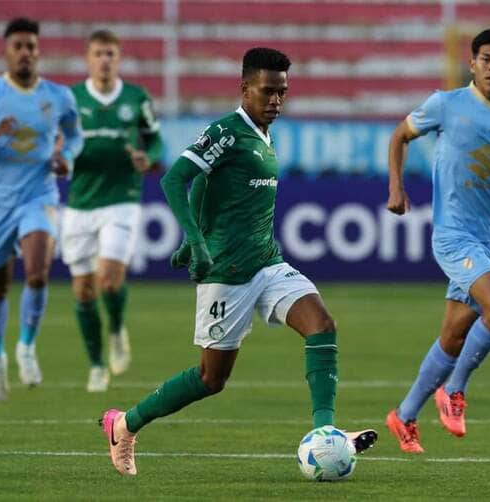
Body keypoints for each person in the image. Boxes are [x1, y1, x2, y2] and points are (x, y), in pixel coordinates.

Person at [98, 47, 377, 476]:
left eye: (282, 92)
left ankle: (326, 432)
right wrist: (196, 240)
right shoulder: (226, 132)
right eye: (267, 91)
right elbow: (176, 179)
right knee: (211, 379)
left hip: (268, 263)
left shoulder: (265, 135)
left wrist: (198, 235)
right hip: (226, 275)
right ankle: (125, 424)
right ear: (245, 88)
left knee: (322, 325)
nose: (276, 101)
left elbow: (208, 188)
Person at [384, 28, 490, 453]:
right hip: (454, 236)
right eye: (485, 59)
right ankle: (454, 391)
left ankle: (404, 416)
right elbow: (400, 136)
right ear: (472, 63)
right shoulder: (445, 104)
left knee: (453, 336)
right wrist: (396, 188)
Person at [0, 17, 83, 401]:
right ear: (6, 52)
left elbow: (75, 136)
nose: (25, 53)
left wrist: (66, 158)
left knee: (38, 273)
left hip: (38, 195)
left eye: (31, 46)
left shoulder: (59, 96)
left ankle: (26, 346)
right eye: (18, 46)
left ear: (39, 52)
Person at [63, 29, 164, 392]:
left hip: (122, 199)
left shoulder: (136, 98)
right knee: (83, 291)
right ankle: (95, 363)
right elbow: (56, 142)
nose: (104, 60)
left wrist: (147, 157)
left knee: (108, 278)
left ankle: (118, 328)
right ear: (88, 59)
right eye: (98, 54)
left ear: (118, 59)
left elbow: (155, 140)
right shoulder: (71, 99)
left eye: (110, 54)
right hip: (80, 203)